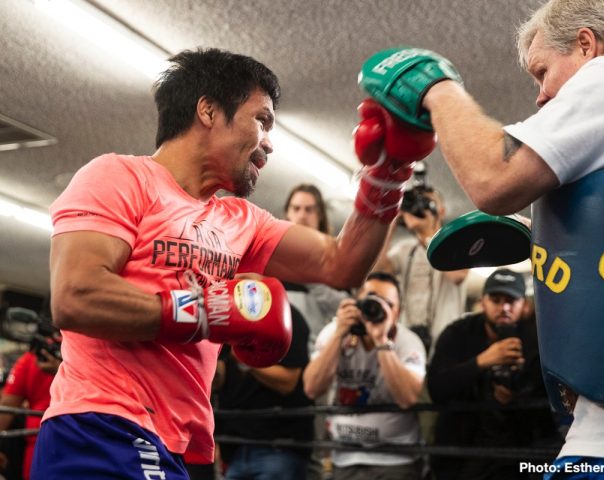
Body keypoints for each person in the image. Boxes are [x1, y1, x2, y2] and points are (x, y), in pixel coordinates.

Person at [357, 0, 604, 477]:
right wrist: (542, 236)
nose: (540, 95)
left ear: (588, 46)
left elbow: (494, 178)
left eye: (542, 71)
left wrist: (435, 88)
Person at [35, 47, 435, 479]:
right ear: (208, 109)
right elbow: (77, 297)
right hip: (105, 426)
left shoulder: (241, 220)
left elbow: (342, 265)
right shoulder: (119, 177)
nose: (269, 143)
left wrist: (387, 174)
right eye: (261, 119)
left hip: (190, 442)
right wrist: (205, 313)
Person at [427, 269, 560, 480]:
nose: (503, 308)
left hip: (519, 453)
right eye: (496, 300)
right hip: (462, 450)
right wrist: (482, 361)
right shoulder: (458, 333)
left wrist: (519, 392)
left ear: (524, 304)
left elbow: (551, 397)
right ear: (483, 302)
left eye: (510, 300)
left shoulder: (537, 338)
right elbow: (436, 389)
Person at [303, 272, 426, 480]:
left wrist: (381, 340)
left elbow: (408, 398)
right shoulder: (334, 331)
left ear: (397, 313)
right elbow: (312, 388)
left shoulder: (408, 342)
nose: (375, 307)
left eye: (386, 303)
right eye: (370, 299)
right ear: (356, 302)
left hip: (395, 461)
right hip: (344, 458)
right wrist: (339, 334)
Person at [214, 305, 313, 480]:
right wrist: (212, 349)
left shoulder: (286, 315)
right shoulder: (227, 317)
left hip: (277, 445)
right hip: (235, 446)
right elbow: (217, 382)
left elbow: (288, 382)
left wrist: (242, 355)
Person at [376, 186, 468, 357]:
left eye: (426, 203)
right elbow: (377, 270)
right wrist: (391, 221)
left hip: (446, 343)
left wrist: (428, 233)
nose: (419, 208)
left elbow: (457, 276)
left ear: (440, 211)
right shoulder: (404, 249)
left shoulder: (456, 244)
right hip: (407, 339)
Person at [282, 183, 349, 350]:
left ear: (320, 215)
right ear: (288, 213)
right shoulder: (273, 253)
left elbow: (346, 307)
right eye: (296, 209)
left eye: (309, 209)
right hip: (276, 350)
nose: (302, 215)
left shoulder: (335, 256)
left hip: (315, 352)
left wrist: (309, 276)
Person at [0, 346, 60, 480]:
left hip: (40, 445)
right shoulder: (101, 346)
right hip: (89, 440)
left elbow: (7, 405)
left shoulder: (32, 357)